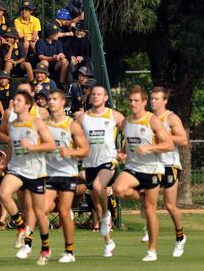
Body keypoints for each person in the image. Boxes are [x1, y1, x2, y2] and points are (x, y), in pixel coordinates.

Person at [113, 85, 174, 262]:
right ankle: (139, 196)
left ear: (144, 102)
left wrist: (149, 147)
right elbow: (127, 142)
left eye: (136, 101)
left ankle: (152, 250)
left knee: (150, 210)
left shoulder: (152, 120)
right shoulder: (126, 122)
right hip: (133, 168)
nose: (132, 104)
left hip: (152, 169)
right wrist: (123, 152)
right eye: (130, 100)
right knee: (118, 189)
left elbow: (168, 144)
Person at [0, 90, 56, 265]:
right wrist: (5, 163)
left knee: (39, 213)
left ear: (28, 105)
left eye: (18, 101)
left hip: (36, 172)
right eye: (14, 100)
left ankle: (45, 248)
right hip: (17, 169)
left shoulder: (37, 122)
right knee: (4, 194)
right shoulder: (13, 124)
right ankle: (21, 226)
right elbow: (12, 147)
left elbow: (51, 144)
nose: (14, 103)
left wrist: (32, 147)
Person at [75, 86, 124, 257]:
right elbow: (72, 135)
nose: (95, 96)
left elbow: (129, 130)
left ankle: (106, 215)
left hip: (108, 161)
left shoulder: (114, 115)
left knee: (97, 186)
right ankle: (108, 242)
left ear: (105, 98)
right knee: (96, 201)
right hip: (90, 164)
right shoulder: (83, 118)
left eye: (99, 94)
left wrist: (123, 150)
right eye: (93, 94)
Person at [44, 90, 90, 263]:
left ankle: (69, 251)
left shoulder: (72, 125)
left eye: (55, 99)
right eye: (49, 99)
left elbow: (85, 150)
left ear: (63, 102)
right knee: (43, 209)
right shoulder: (43, 124)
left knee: (64, 212)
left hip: (67, 174)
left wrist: (70, 152)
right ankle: (45, 247)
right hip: (48, 174)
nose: (51, 102)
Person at [149, 86, 189, 256]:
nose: (153, 101)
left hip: (169, 165)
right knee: (144, 197)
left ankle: (180, 236)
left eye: (157, 98)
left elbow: (183, 139)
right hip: (151, 165)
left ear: (165, 101)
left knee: (169, 205)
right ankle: (148, 226)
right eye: (152, 98)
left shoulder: (171, 118)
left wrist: (164, 134)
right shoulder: (147, 118)